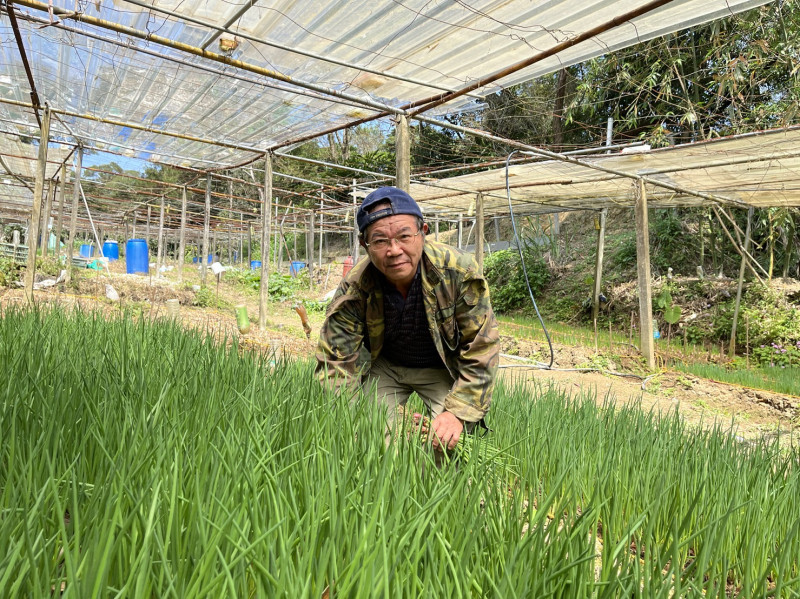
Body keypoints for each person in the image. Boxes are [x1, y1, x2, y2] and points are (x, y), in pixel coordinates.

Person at [316, 186, 499, 451]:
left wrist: (457, 414)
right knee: (371, 439)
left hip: (440, 366)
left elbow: (482, 347)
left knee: (446, 445)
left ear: (423, 233)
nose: (394, 250)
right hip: (386, 366)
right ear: (364, 245)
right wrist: (351, 422)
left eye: (404, 236)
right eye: (379, 241)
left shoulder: (457, 272)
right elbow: (336, 362)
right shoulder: (355, 288)